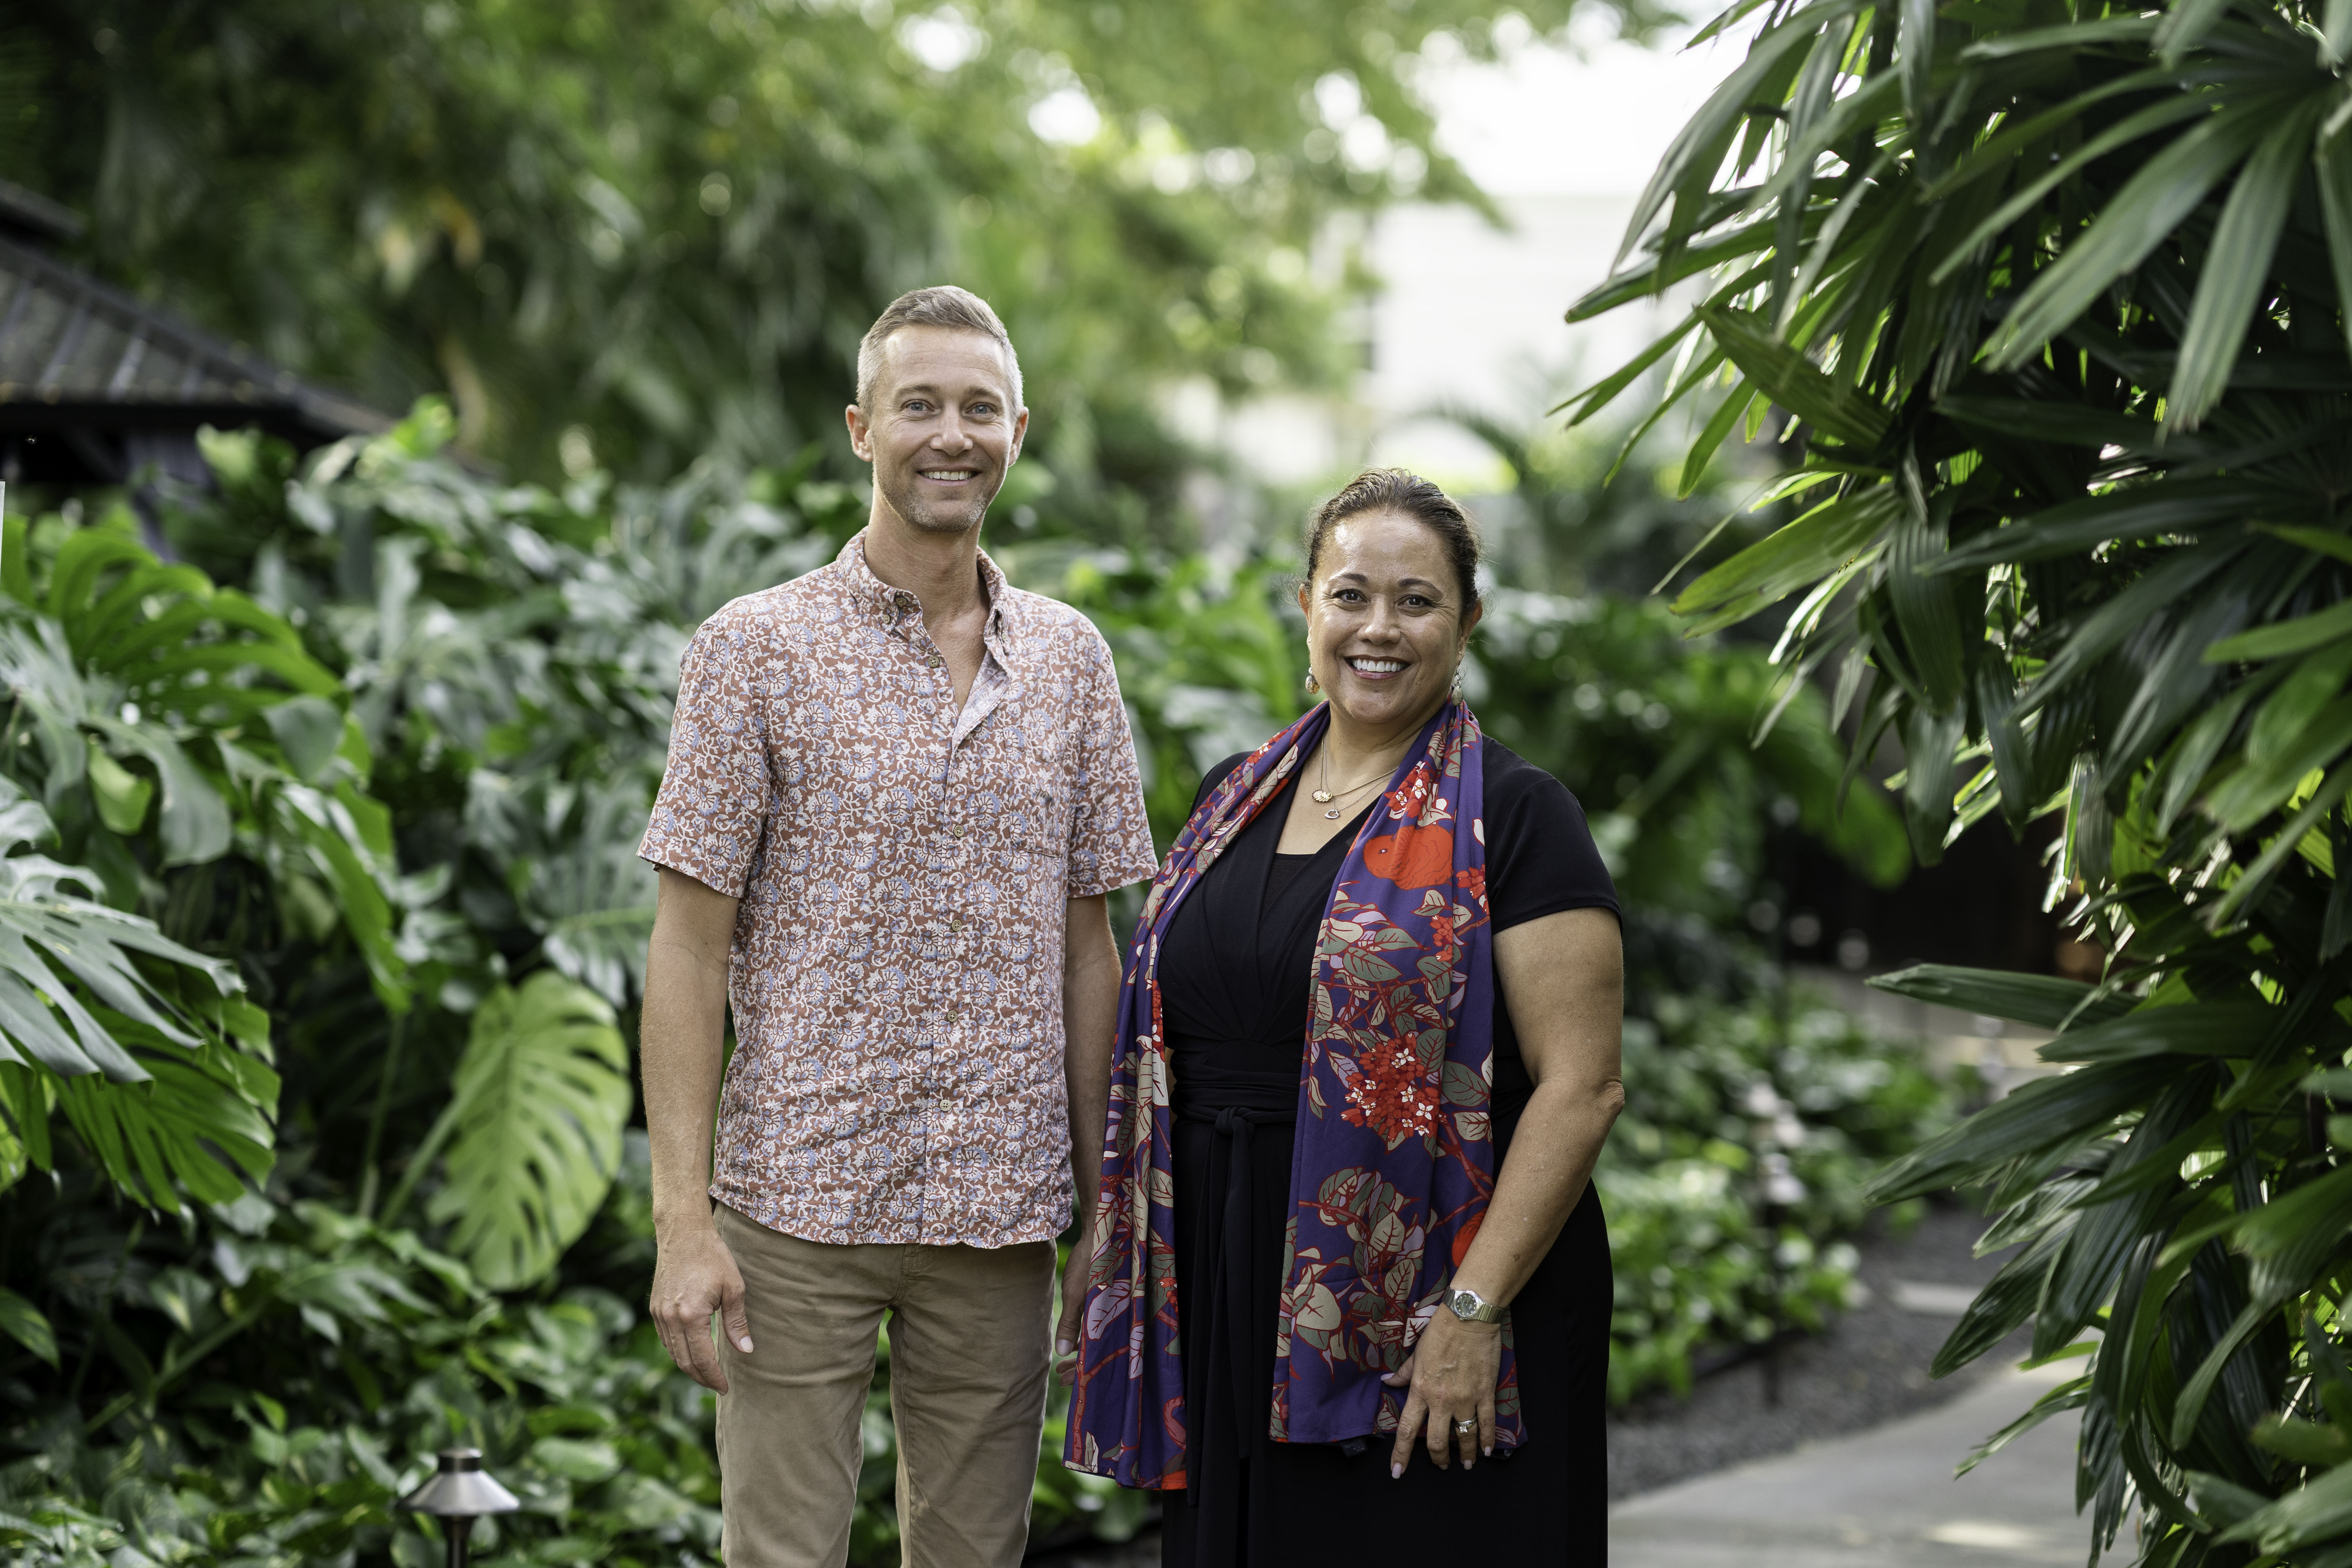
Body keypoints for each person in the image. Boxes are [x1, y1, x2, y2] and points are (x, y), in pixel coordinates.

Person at [637, 284, 1159, 1568]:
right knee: (781, 1560)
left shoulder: (1071, 660)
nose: (951, 433)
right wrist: (682, 1226)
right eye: (919, 404)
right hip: (792, 1207)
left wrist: (1107, 1207)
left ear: (1018, 432)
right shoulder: (752, 649)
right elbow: (688, 951)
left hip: (997, 1214)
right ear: (863, 428)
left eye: (979, 408)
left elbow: (1087, 952)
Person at [1061, 469, 1625, 1564]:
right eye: (1351, 594)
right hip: (1226, 1268)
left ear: (1467, 624)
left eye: (1416, 601)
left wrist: (1470, 1312)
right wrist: (1113, 1233)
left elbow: (1582, 1086)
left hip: (1430, 1281)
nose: (1379, 628)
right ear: (1306, 606)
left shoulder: (1515, 815)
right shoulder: (1234, 794)